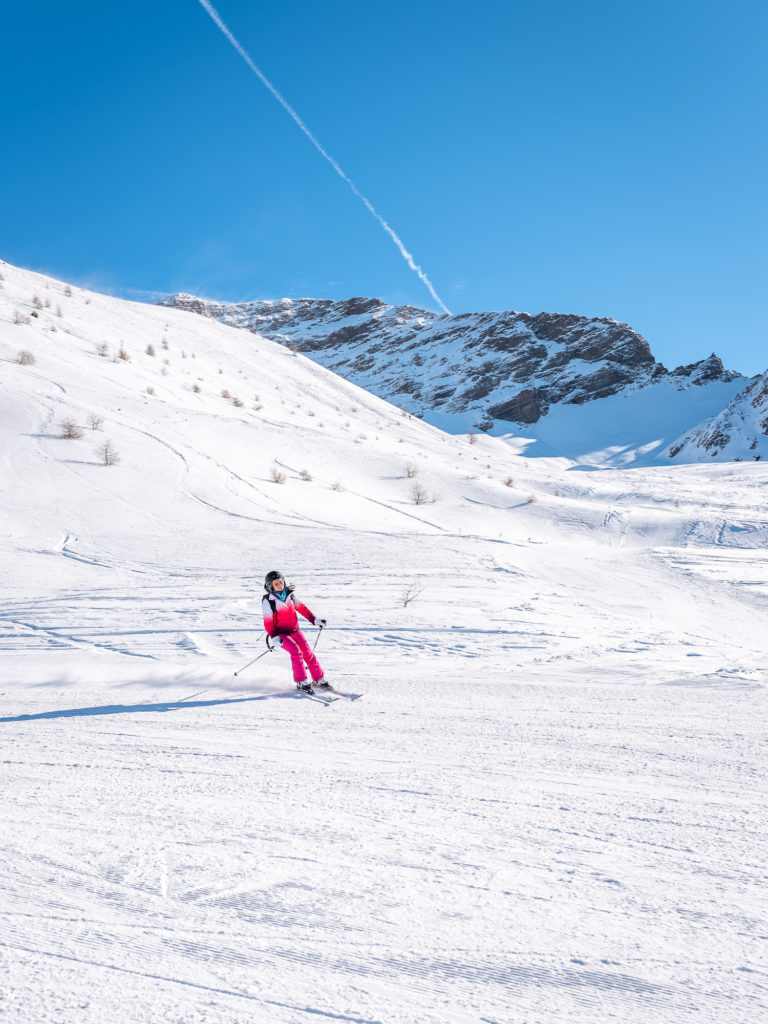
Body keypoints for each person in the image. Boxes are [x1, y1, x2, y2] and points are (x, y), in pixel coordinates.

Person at [262, 571, 328, 693]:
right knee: (296, 652)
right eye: (276, 583)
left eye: (281, 582)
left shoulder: (290, 595)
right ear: (270, 586)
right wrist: (274, 637)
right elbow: (268, 622)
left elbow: (301, 608)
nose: (280, 585)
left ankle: (319, 679)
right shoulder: (268, 601)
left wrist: (314, 620)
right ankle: (301, 682)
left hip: (294, 630)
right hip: (281, 634)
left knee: (308, 654)